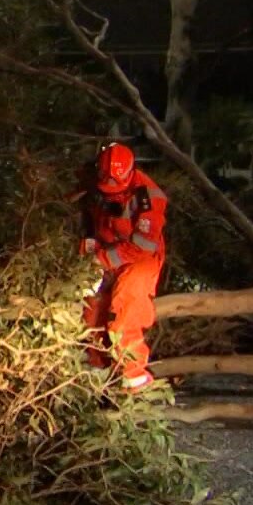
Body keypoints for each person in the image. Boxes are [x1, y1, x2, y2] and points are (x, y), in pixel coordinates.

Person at [76, 142, 168, 391]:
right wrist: (88, 254)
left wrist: (101, 260)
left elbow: (142, 246)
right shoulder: (95, 187)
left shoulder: (148, 198)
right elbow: (94, 228)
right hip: (108, 252)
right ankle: (96, 371)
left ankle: (134, 378)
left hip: (141, 259)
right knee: (92, 310)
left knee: (125, 312)